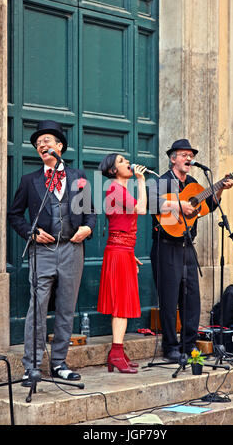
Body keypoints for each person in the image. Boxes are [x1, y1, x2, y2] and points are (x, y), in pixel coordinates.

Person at [8, 120, 97, 386]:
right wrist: (30, 233)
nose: (42, 146)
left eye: (47, 141)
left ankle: (59, 363)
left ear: (60, 146)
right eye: (38, 144)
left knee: (66, 308)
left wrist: (87, 230)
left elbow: (91, 213)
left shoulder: (78, 177)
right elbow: (15, 215)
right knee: (37, 308)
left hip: (72, 249)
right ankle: (31, 366)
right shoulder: (30, 181)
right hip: (42, 252)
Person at [149, 139, 233, 362]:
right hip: (165, 247)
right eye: (183, 154)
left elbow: (207, 207)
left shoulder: (195, 182)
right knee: (169, 300)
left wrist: (220, 190)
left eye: (190, 155)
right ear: (172, 158)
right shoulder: (161, 181)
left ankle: (188, 346)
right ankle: (170, 348)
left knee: (192, 298)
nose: (188, 158)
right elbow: (149, 202)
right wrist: (179, 205)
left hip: (187, 246)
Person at [97, 154, 147, 373]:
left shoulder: (122, 191)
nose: (127, 162)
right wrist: (142, 181)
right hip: (118, 252)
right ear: (112, 170)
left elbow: (122, 227)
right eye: (121, 161)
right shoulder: (115, 189)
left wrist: (130, 253)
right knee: (121, 304)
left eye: (126, 159)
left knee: (122, 303)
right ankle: (116, 353)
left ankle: (118, 352)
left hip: (123, 250)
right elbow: (142, 210)